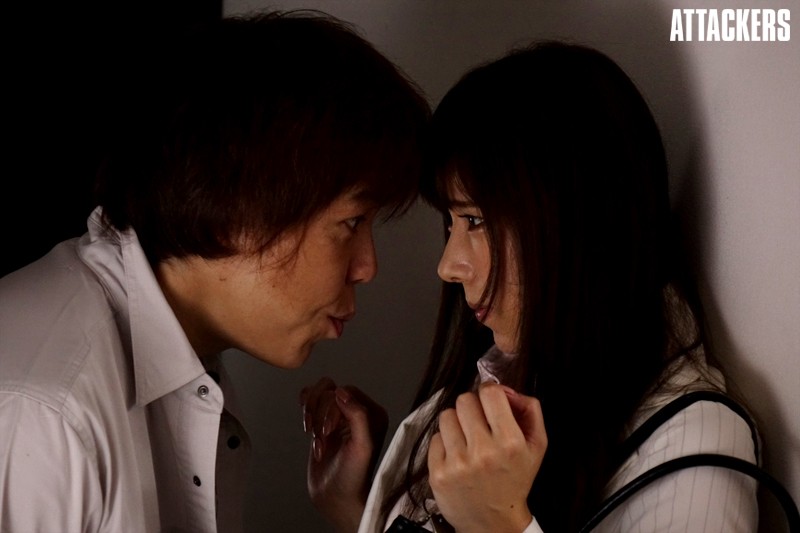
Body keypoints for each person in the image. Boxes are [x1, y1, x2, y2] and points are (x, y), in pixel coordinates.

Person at [301, 41, 758, 532]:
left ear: (574, 223)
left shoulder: (690, 450)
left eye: (475, 220)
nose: (448, 267)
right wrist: (356, 507)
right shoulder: (496, 381)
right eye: (450, 223)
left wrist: (500, 525)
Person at [0, 10, 428, 533]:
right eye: (352, 222)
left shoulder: (183, 364)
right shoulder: (45, 415)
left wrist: (356, 512)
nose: (367, 267)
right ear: (241, 207)